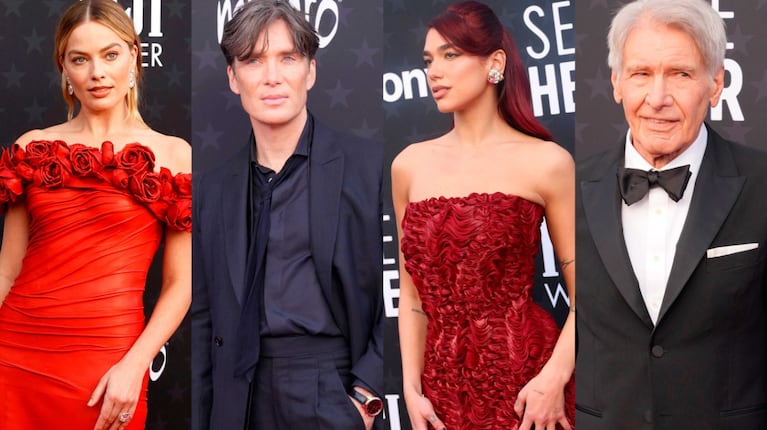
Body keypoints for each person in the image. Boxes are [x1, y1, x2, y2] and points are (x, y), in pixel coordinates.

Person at [190, 1, 384, 429]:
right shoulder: (211, 190)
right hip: (239, 397)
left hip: (330, 386)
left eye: (287, 58)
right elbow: (204, 322)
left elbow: (402, 292)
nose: (272, 77)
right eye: (254, 61)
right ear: (233, 77)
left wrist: (367, 395)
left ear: (310, 71)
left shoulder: (370, 167)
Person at [0, 0, 191, 429]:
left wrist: (135, 365)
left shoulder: (174, 154)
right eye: (79, 59)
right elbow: (7, 271)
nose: (97, 73)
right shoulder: (32, 147)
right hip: (13, 355)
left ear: (135, 58)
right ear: (64, 69)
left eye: (110, 54)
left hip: (108, 364)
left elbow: (182, 284)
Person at [575, 0, 767, 427]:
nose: (657, 99)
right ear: (616, 82)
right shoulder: (570, 184)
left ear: (715, 84)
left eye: (680, 74)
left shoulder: (761, 183)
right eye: (641, 73)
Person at [391, 2, 575, 429]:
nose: (433, 71)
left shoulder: (546, 162)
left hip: (527, 389)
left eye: (450, 55)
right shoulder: (408, 165)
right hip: (438, 394)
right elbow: (413, 298)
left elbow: (590, 296)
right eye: (428, 60)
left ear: (494, 63)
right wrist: (411, 391)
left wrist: (553, 379)